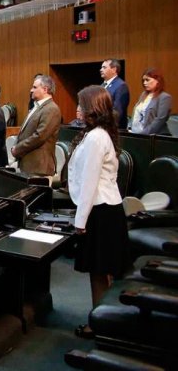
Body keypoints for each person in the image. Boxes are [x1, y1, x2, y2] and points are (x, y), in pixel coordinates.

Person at [68, 86, 129, 339]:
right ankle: (106, 321)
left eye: (81, 105)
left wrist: (80, 221)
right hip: (105, 209)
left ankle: (101, 325)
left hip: (100, 211)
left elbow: (90, 181)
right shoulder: (99, 133)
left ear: (93, 108)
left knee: (99, 273)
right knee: (102, 272)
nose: (77, 109)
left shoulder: (96, 137)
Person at [12, 75, 62, 177]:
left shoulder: (51, 108)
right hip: (29, 165)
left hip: (39, 168)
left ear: (45, 89)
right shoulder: (37, 107)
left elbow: (40, 136)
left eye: (34, 87)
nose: (31, 90)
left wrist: (18, 149)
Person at [130, 68, 172, 135]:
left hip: (154, 137)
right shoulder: (143, 94)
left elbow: (160, 120)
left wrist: (143, 134)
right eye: (143, 80)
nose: (144, 83)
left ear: (157, 81)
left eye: (147, 80)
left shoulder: (164, 97)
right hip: (137, 133)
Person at [100, 58, 129, 129]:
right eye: (101, 67)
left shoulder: (121, 86)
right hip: (101, 128)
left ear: (114, 70)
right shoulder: (101, 86)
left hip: (113, 129)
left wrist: (103, 124)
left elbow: (117, 112)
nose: (101, 70)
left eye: (104, 67)